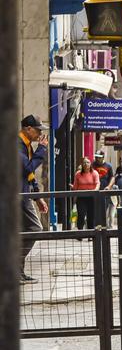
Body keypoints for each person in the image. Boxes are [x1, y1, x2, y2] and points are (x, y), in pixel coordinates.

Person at [18, 115, 49, 284]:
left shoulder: (26, 145)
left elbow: (29, 174)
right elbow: (28, 167)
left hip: (24, 194)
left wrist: (37, 197)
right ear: (28, 129)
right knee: (35, 228)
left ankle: (18, 273)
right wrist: (41, 149)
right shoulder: (17, 145)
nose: (39, 134)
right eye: (38, 130)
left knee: (23, 232)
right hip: (17, 196)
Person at [72, 157, 100, 230]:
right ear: (82, 164)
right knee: (81, 215)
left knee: (91, 216)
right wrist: (74, 194)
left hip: (91, 197)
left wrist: (95, 190)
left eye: (87, 162)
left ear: (90, 164)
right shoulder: (78, 174)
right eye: (84, 162)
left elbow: (97, 183)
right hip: (81, 197)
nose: (86, 164)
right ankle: (80, 232)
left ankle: (91, 233)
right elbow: (75, 186)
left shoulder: (94, 173)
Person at [92, 151, 116, 228]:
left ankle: (103, 227)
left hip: (104, 191)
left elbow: (112, 177)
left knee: (104, 210)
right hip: (94, 191)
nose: (97, 158)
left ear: (103, 157)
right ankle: (94, 227)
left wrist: (109, 186)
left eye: (99, 157)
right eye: (96, 157)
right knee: (94, 210)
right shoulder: (92, 165)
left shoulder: (108, 166)